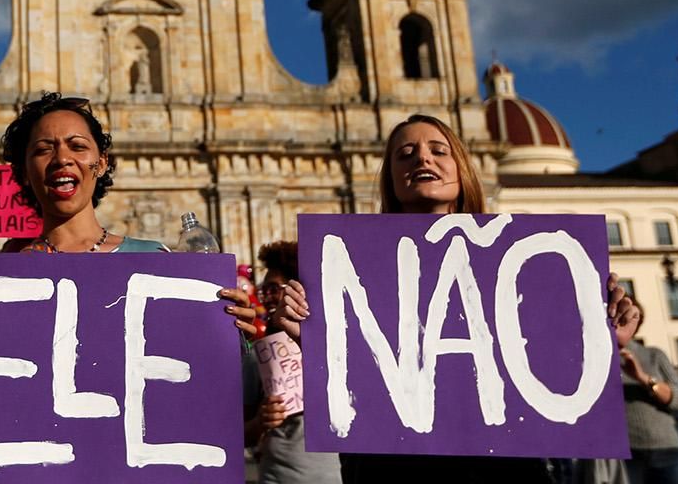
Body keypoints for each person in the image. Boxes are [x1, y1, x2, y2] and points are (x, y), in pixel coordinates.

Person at [272, 115, 639, 484]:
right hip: (393, 465)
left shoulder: (514, 258)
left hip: (499, 467)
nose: (422, 160)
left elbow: (542, 358)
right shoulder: (352, 265)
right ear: (391, 180)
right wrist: (317, 335)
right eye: (406, 153)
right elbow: (362, 369)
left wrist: (602, 340)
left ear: (461, 169)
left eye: (438, 150)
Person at [0, 92, 256, 381]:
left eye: (77, 146)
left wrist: (234, 337)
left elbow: (227, 386)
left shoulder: (156, 260)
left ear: (101, 163)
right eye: (44, 149)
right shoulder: (2, 271)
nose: (62, 159)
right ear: (24, 173)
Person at [244, 240, 341, 484]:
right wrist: (260, 422)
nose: (266, 299)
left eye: (275, 289)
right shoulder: (259, 355)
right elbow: (236, 433)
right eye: (264, 291)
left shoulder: (344, 352)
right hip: (279, 476)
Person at [618, 303, 678, 484]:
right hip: (623, 456)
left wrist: (643, 378)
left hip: (665, 449)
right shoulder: (592, 357)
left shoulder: (653, 355)